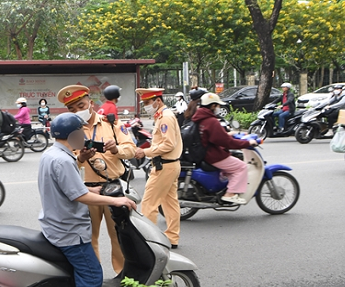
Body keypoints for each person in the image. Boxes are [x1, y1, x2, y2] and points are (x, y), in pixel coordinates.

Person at [38, 112, 136, 287]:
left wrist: (94, 185)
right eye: (81, 133)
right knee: (92, 276)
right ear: (73, 135)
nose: (85, 136)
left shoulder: (53, 154)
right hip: (69, 231)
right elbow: (79, 196)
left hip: (55, 224)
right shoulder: (63, 160)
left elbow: (69, 187)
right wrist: (115, 201)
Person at [57, 84, 137, 276]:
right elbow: (64, 165)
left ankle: (122, 275)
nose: (78, 111)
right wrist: (81, 159)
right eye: (71, 109)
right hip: (86, 191)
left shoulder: (112, 124)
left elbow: (132, 150)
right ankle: (94, 277)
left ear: (91, 103)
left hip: (113, 189)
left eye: (81, 105)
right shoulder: (71, 133)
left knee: (118, 235)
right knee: (88, 237)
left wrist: (116, 149)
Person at [134, 88, 183, 248]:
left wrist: (145, 151)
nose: (146, 106)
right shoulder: (163, 116)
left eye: (148, 102)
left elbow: (168, 144)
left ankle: (150, 240)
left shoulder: (165, 118)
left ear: (158, 101)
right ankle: (172, 237)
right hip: (170, 165)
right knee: (170, 203)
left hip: (165, 166)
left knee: (149, 203)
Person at [192, 94, 259, 205]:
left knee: (233, 163)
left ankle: (224, 188)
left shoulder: (199, 118)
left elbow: (214, 137)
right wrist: (246, 143)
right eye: (218, 105)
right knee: (241, 167)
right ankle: (230, 194)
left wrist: (228, 134)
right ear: (213, 106)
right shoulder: (211, 121)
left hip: (204, 152)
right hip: (213, 155)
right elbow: (226, 142)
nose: (219, 108)